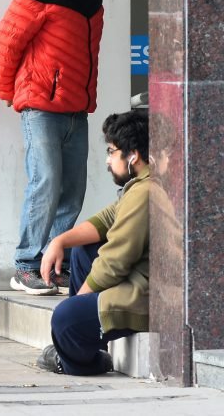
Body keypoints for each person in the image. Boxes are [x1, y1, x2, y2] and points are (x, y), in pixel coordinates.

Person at [0, 0, 115, 295]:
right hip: (41, 104)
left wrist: (88, 98)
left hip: (76, 106)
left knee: (72, 189)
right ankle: (26, 264)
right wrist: (7, 92)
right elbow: (6, 40)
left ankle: (52, 262)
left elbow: (89, 52)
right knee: (46, 182)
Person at [37, 110, 151, 376]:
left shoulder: (145, 192)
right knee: (83, 249)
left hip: (146, 297)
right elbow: (107, 219)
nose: (107, 161)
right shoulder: (140, 185)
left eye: (112, 152)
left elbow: (115, 261)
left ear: (132, 155)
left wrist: (78, 301)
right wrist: (59, 241)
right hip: (138, 281)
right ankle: (87, 338)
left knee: (65, 320)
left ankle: (82, 362)